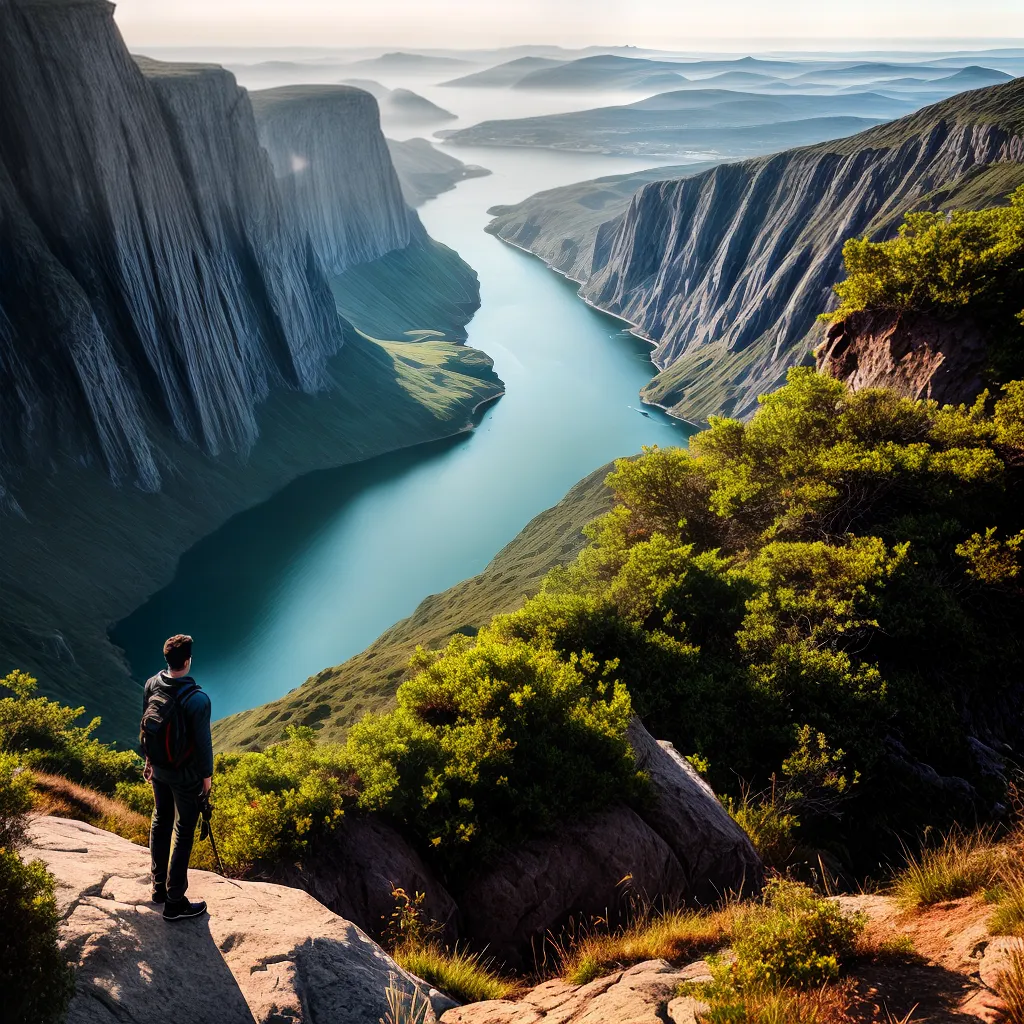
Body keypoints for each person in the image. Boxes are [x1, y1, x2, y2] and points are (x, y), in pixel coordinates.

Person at [142, 634, 213, 921]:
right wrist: (206, 776)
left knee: (161, 820)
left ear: (167, 660)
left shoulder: (151, 684)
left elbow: (147, 727)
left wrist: (148, 761)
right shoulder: (196, 699)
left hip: (159, 769)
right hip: (185, 775)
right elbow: (203, 743)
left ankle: (158, 888)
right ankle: (175, 902)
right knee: (183, 830)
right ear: (187, 661)